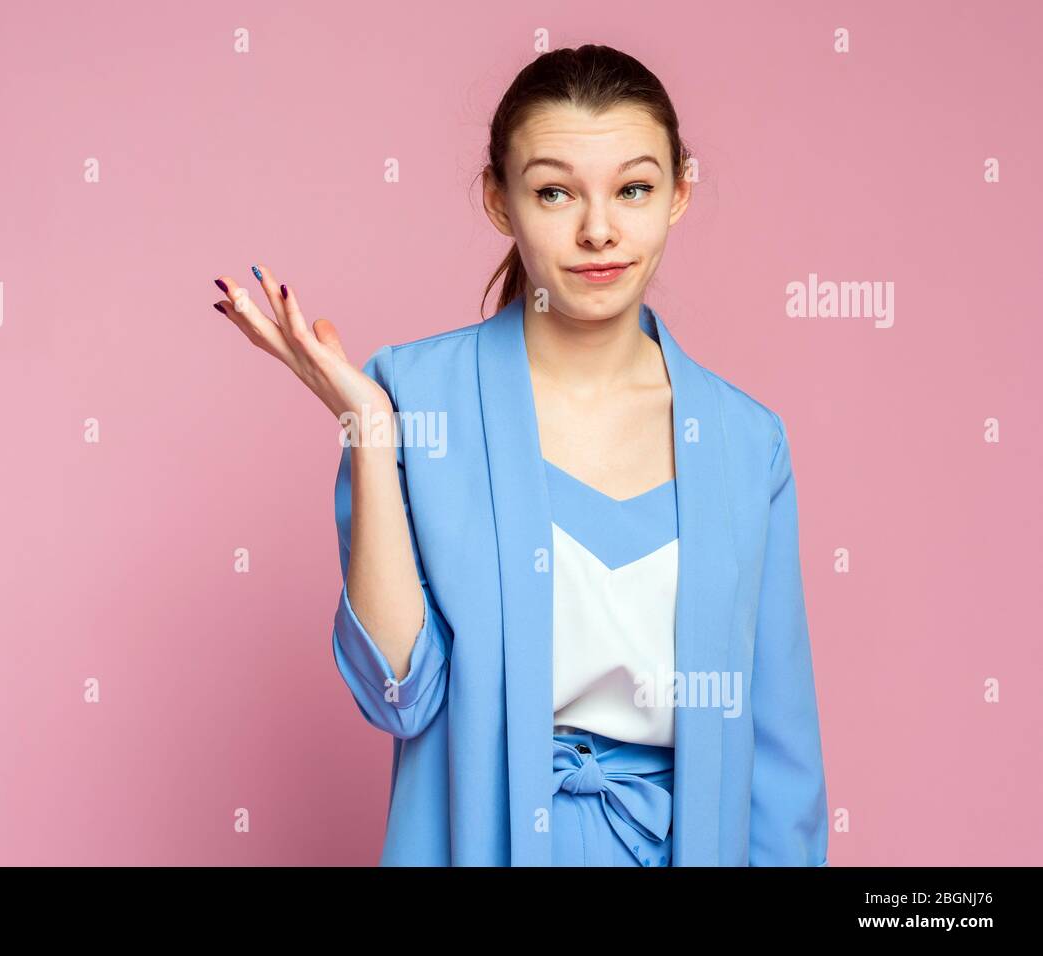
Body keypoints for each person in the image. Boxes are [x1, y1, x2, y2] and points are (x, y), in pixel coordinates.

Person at [211, 43, 829, 867]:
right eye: (554, 192)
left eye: (634, 189)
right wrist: (371, 429)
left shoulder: (749, 443)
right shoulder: (412, 396)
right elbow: (398, 694)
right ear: (500, 202)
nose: (598, 229)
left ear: (679, 194)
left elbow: (781, 752)